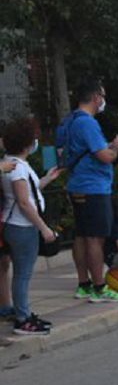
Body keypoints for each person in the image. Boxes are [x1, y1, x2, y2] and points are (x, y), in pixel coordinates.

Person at [56, 78, 118, 302]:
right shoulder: (88, 123)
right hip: (93, 187)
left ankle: (84, 284)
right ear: (95, 98)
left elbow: (75, 151)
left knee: (81, 236)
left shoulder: (70, 120)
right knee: (95, 239)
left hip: (77, 185)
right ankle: (100, 288)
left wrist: (110, 146)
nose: (103, 101)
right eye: (102, 96)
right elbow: (104, 156)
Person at [0, 118, 61, 334]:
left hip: (14, 224)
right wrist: (43, 228)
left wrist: (45, 180)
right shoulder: (17, 168)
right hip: (22, 226)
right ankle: (23, 319)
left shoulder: (12, 163)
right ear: (27, 143)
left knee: (18, 272)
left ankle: (19, 312)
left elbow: (28, 193)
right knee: (23, 274)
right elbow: (24, 202)